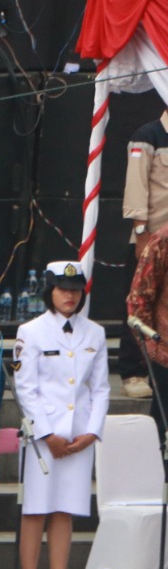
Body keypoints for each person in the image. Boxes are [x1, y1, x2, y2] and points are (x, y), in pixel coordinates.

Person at [13, 261, 108, 569]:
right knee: (36, 509)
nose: (70, 295)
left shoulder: (94, 332)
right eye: (63, 289)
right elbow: (26, 388)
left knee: (66, 509)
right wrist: (46, 433)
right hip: (44, 436)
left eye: (75, 290)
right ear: (49, 291)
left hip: (79, 435)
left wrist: (92, 432)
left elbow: (100, 388)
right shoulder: (31, 331)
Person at [121, 108, 168, 399]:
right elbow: (136, 188)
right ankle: (132, 371)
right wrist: (141, 235)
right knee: (139, 303)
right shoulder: (148, 135)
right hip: (153, 240)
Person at [128, 210, 168, 436]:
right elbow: (139, 298)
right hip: (166, 355)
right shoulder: (163, 240)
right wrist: (152, 348)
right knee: (162, 431)